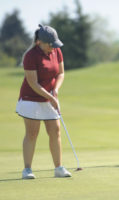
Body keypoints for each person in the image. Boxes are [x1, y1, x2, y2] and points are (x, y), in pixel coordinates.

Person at [16, 24, 71, 178]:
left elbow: (61, 73)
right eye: (50, 45)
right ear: (39, 42)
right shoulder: (30, 56)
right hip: (31, 98)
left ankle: (59, 168)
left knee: (55, 131)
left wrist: (56, 90)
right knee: (32, 133)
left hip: (49, 97)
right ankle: (27, 170)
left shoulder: (56, 51)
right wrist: (51, 97)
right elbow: (33, 83)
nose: (53, 48)